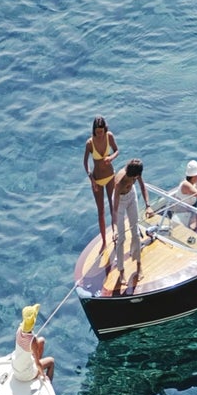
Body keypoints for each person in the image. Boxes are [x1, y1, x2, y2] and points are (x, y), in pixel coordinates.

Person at [110, 158, 150, 291]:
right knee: (121, 239)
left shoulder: (136, 174)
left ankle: (139, 265)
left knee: (136, 233)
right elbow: (114, 208)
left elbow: (143, 187)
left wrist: (148, 205)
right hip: (119, 202)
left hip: (131, 197)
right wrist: (114, 228)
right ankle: (121, 271)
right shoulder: (119, 182)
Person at [82, 116, 119, 251]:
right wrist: (91, 178)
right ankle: (104, 241)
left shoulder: (109, 136)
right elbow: (85, 163)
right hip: (97, 179)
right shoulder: (89, 143)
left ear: (105, 129)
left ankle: (115, 232)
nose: (100, 134)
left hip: (110, 176)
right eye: (97, 132)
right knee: (101, 211)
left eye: (101, 131)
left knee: (113, 205)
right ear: (94, 130)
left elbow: (117, 151)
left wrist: (111, 157)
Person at [12, 303, 55, 382]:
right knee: (51, 361)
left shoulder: (19, 330)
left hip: (16, 368)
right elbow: (38, 363)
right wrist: (43, 375)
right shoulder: (33, 341)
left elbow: (28, 343)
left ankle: (37, 367)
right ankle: (48, 382)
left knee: (41, 340)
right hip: (24, 375)